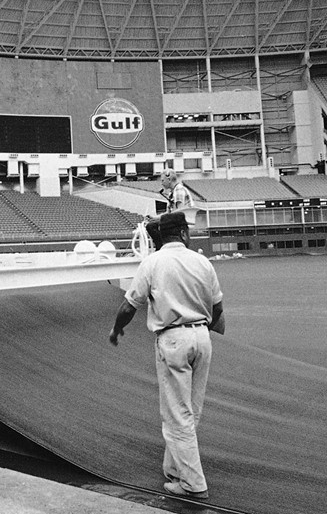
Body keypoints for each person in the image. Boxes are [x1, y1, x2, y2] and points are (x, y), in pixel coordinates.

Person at [109, 211, 224, 500]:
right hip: (202, 336)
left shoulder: (153, 262)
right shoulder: (202, 261)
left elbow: (128, 306)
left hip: (173, 339)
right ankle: (173, 469)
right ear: (184, 234)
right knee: (190, 411)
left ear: (163, 234)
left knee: (177, 415)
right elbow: (218, 309)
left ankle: (193, 484)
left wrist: (116, 330)